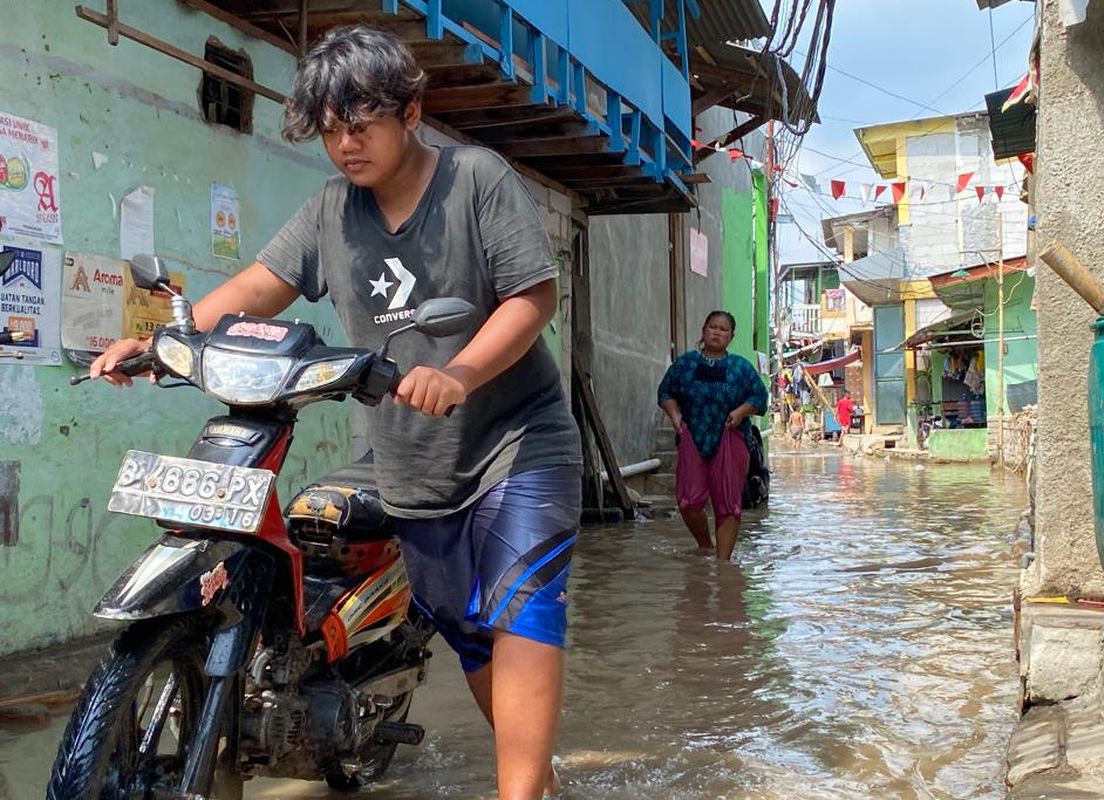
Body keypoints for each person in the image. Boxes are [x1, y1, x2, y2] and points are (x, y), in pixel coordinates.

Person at [89, 26, 581, 800]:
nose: (344, 145)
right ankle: (536, 778)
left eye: (361, 124)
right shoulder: (330, 211)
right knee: (471, 635)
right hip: (411, 459)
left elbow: (532, 295)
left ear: (411, 111)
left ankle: (518, 794)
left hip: (516, 445)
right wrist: (162, 346)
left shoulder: (477, 178)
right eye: (329, 130)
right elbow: (258, 286)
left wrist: (459, 371)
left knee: (522, 611)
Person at [657, 311, 768, 560]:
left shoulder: (741, 368)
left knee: (728, 503)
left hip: (732, 437)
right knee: (687, 501)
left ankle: (723, 564)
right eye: (713, 327)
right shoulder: (685, 364)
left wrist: (741, 412)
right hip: (693, 436)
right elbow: (665, 391)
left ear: (731, 336)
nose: (717, 333)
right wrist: (674, 414)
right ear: (704, 330)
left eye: (723, 329)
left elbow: (760, 397)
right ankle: (706, 545)